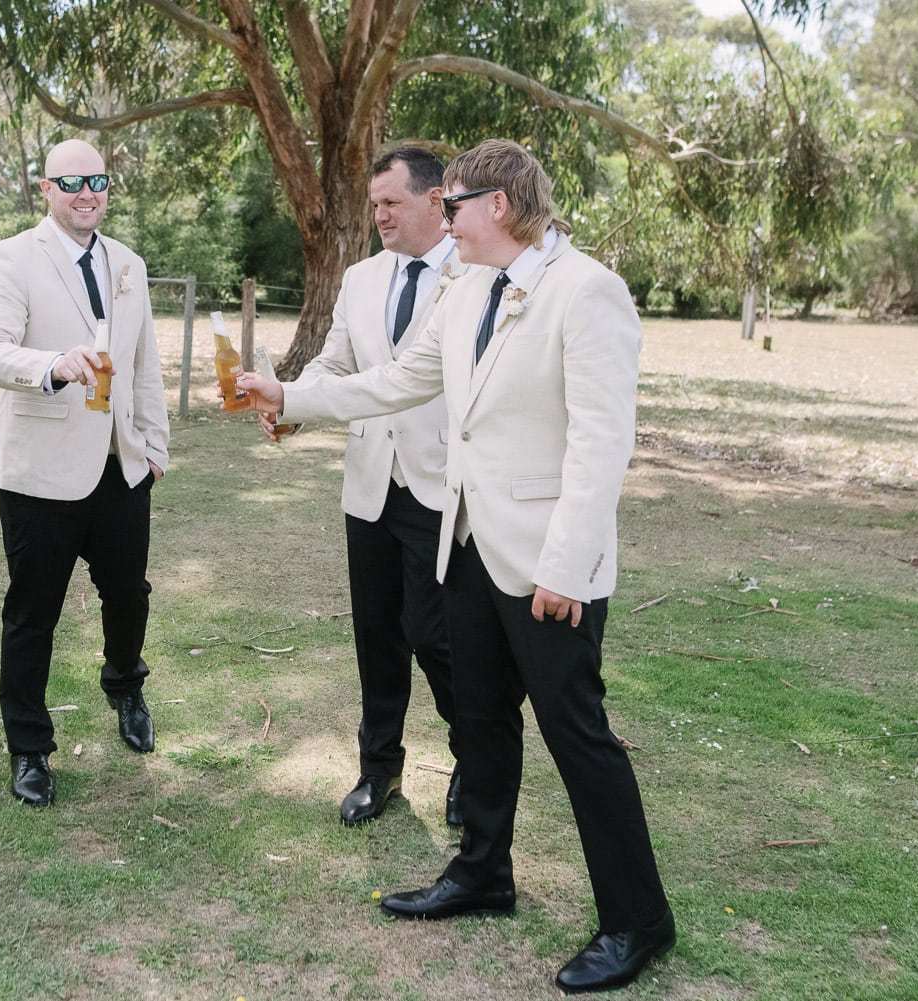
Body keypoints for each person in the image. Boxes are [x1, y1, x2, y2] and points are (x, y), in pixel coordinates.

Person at [237, 139, 674, 993]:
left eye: (455, 205)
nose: (445, 217)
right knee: (478, 719)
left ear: (496, 207)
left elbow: (599, 444)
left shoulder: (587, 293)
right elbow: (396, 380)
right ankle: (482, 872)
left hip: (549, 566)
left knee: (577, 735)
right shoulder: (468, 286)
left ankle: (637, 919)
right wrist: (292, 396)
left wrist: (568, 565)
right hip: (464, 544)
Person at [0, 138, 170, 808]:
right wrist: (53, 365)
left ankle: (126, 685)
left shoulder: (130, 265)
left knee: (130, 594)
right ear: (46, 188)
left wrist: (154, 444)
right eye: (73, 181)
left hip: (122, 464)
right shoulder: (8, 259)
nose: (88, 192)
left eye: (99, 180)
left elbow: (144, 364)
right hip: (40, 473)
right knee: (32, 614)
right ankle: (29, 747)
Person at [269, 147, 466, 828]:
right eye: (373, 203)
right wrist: (293, 407)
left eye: (391, 202)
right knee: (376, 635)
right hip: (370, 487)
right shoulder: (359, 279)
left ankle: (474, 755)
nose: (377, 214)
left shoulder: (472, 273)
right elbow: (337, 361)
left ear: (436, 201)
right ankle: (378, 769)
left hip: (441, 487)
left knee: (437, 634)